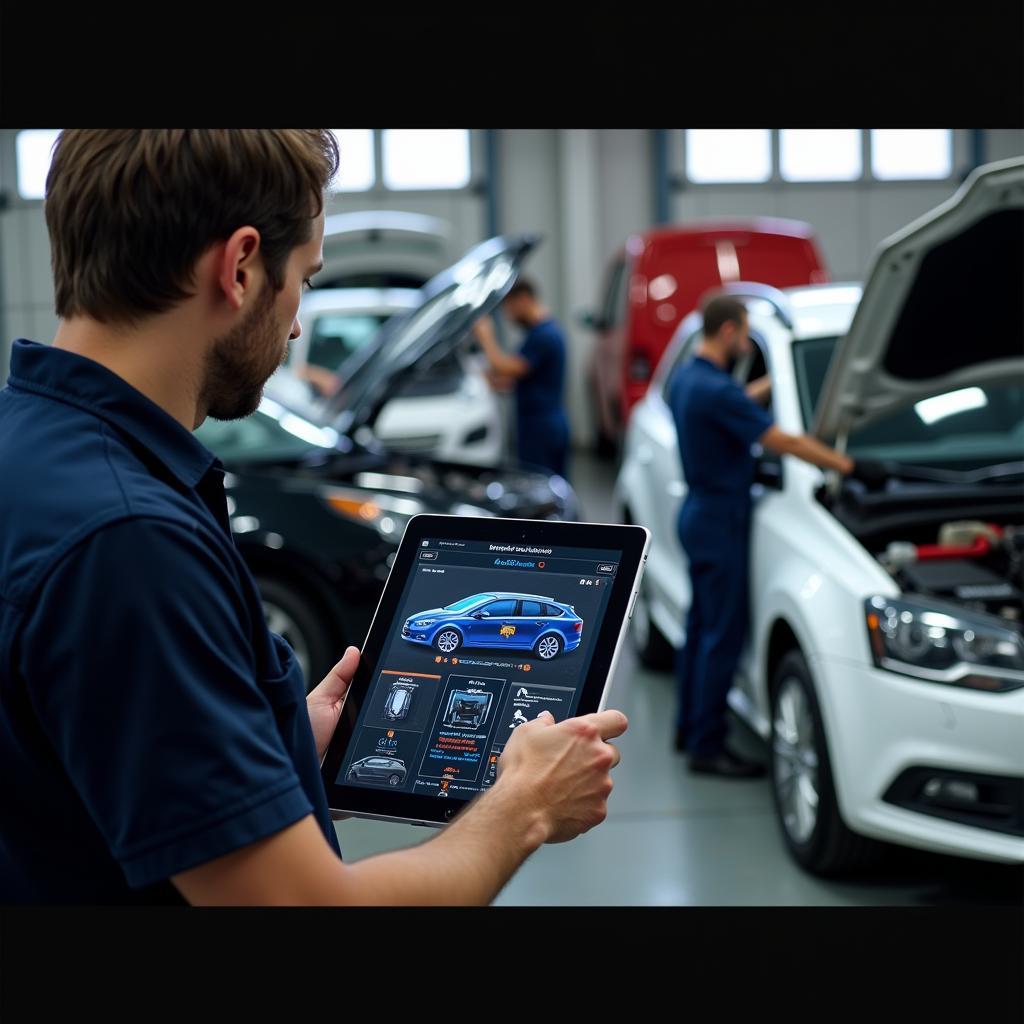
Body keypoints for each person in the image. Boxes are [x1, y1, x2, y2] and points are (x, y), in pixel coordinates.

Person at [0, 129, 627, 905]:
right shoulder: (130, 539)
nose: (296, 324)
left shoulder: (26, 450)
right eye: (304, 280)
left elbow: (74, 765)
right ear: (239, 268)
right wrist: (521, 809)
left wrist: (275, 746)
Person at [667, 295, 886, 779]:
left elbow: (734, 404)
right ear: (729, 331)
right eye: (744, 335)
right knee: (723, 633)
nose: (745, 344)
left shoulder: (690, 379)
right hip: (722, 518)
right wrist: (849, 466)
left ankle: (688, 727)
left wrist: (780, 384)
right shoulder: (719, 391)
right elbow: (783, 441)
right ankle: (708, 746)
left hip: (697, 513)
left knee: (701, 626)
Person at [472, 279, 570, 479]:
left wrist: (485, 336)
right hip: (541, 424)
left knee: (540, 484)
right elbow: (521, 378)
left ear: (523, 300)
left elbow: (504, 368)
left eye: (509, 306)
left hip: (541, 427)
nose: (508, 316)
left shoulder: (544, 336)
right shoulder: (540, 333)